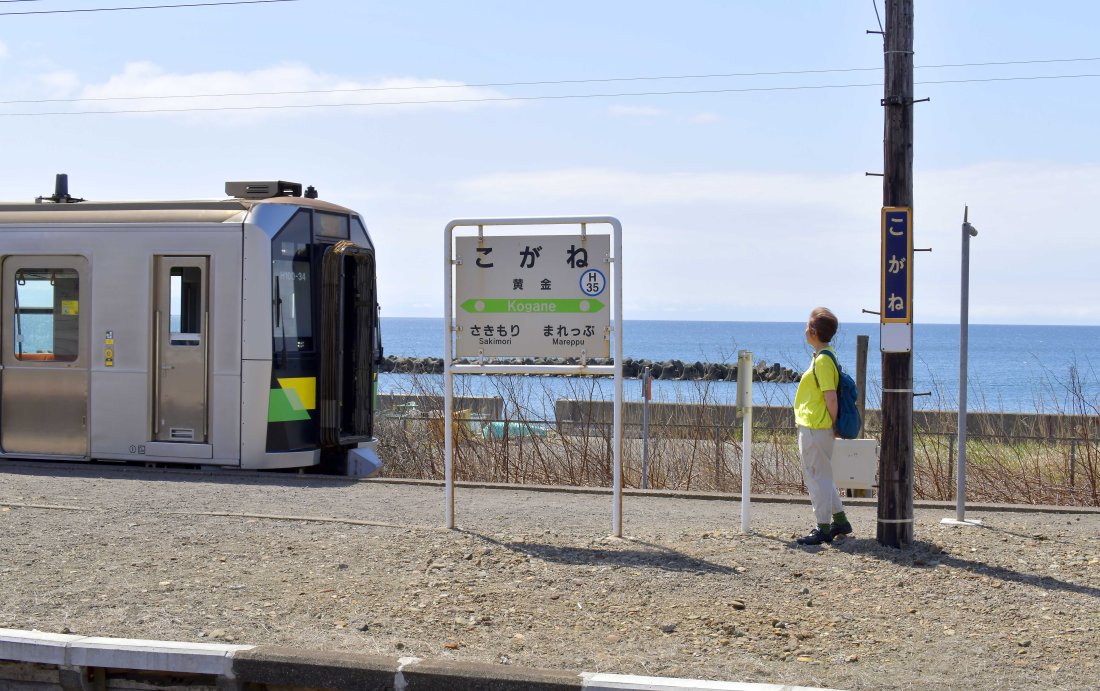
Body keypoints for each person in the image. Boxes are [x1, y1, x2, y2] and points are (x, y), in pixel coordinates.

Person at [793, 307, 853, 545]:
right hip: (818, 425)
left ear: (814, 331)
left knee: (816, 477)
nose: (805, 330)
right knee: (824, 475)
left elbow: (830, 396)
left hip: (816, 426)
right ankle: (839, 520)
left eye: (808, 326)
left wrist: (832, 422)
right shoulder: (825, 356)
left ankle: (823, 527)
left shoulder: (823, 361)